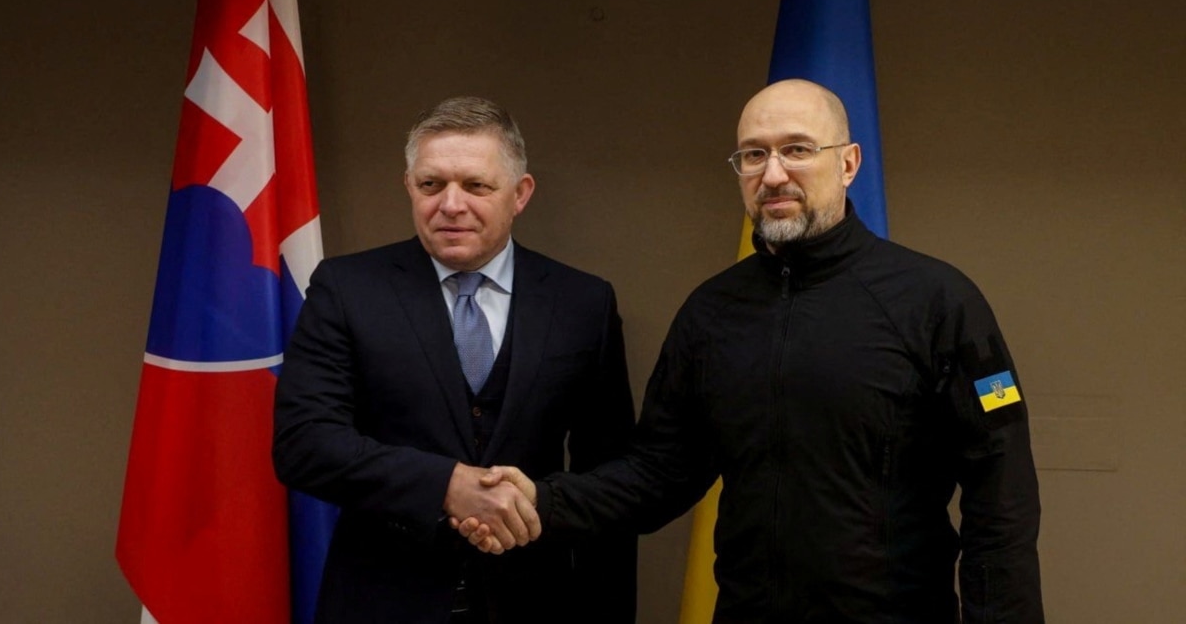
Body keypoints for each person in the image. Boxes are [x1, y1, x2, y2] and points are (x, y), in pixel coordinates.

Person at [459, 79, 1044, 623]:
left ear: (848, 163)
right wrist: (542, 499)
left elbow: (1002, 494)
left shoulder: (936, 301)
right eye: (754, 155)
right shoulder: (711, 313)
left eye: (797, 150)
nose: (773, 174)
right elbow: (657, 474)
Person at [273, 96, 637, 624]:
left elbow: (613, 475)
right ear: (409, 186)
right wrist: (447, 485)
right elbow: (304, 445)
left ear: (520, 194)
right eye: (431, 184)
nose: (450, 204)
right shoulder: (347, 289)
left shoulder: (583, 302)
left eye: (476, 185)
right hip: (384, 600)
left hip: (536, 602)